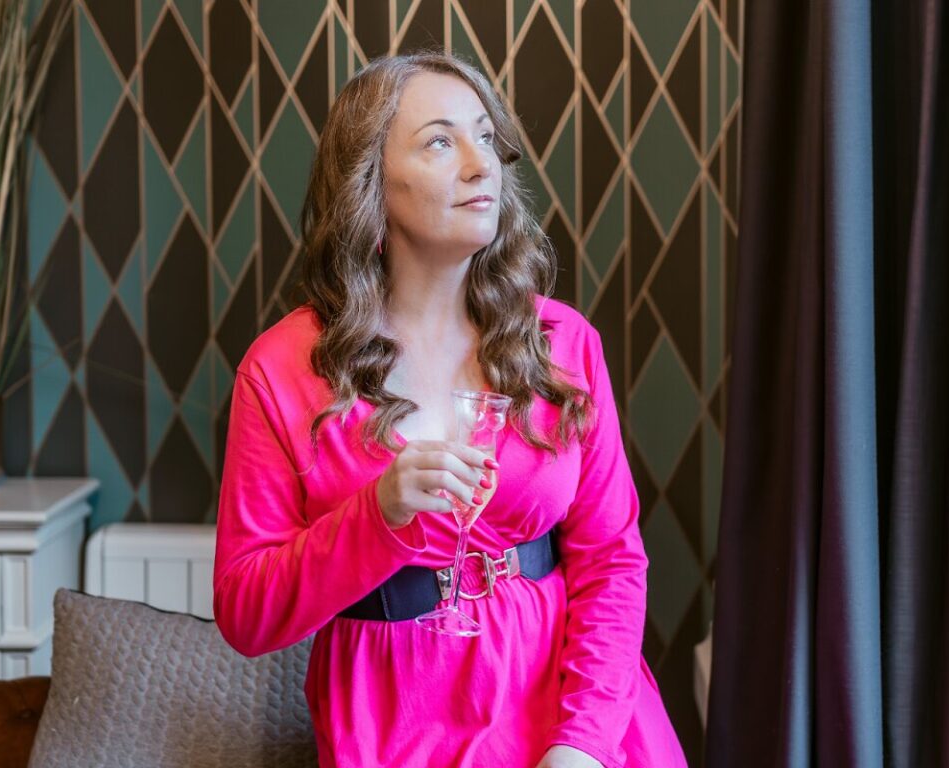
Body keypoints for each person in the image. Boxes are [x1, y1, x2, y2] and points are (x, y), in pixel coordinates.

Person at [213, 52, 686, 768]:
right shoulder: (280, 370)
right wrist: (377, 517)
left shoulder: (563, 345)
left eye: (485, 138)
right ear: (368, 184)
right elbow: (246, 613)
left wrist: (581, 745)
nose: (481, 164)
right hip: (392, 724)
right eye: (440, 141)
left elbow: (613, 564)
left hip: (573, 721)